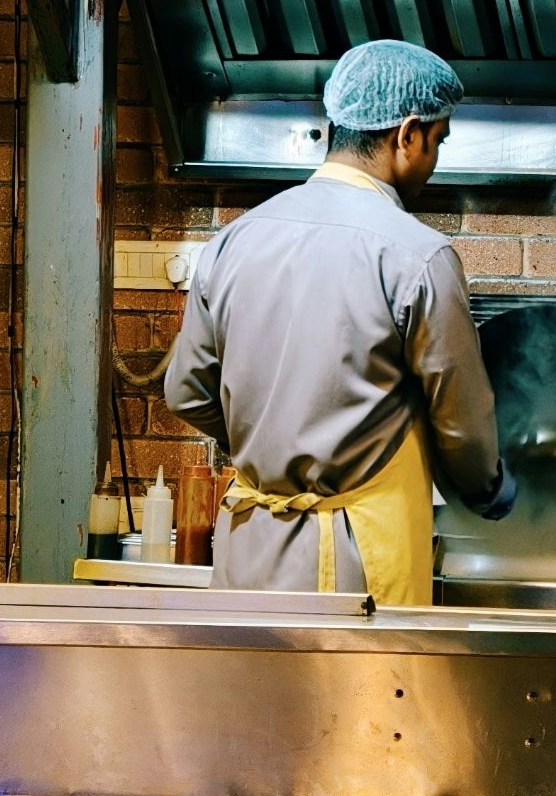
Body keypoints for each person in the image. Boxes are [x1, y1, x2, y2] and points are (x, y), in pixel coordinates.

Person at [162, 39, 517, 606]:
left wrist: (277, 440)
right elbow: (460, 420)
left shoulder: (233, 241)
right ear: (407, 134)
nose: (434, 161)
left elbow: (186, 393)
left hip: (247, 552)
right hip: (358, 565)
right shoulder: (416, 255)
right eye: (438, 140)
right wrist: (490, 490)